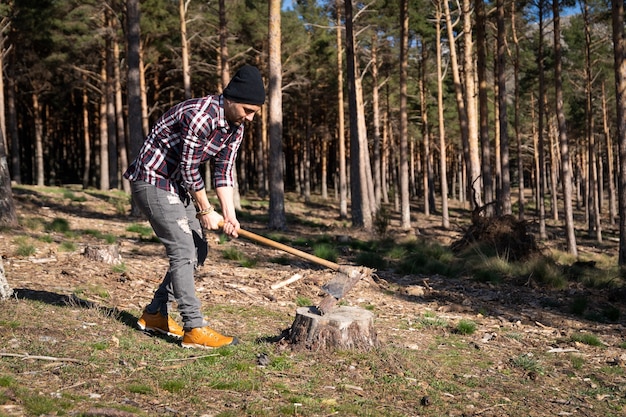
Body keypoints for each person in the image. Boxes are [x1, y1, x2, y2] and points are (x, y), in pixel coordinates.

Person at [123, 65, 265, 349]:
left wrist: (229, 215)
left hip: (177, 184)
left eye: (255, 113)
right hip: (152, 180)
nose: (250, 118)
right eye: (247, 110)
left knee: (199, 248)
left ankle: (155, 314)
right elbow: (190, 170)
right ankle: (194, 327)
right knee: (183, 250)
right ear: (231, 99)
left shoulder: (235, 126)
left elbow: (224, 171)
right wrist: (205, 210)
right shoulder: (201, 116)